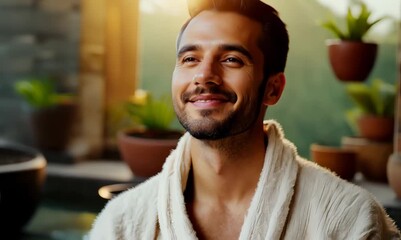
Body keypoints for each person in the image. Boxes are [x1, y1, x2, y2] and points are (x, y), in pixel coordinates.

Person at [90, 0, 400, 239]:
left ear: (273, 88)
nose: (204, 75)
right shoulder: (122, 224)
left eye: (231, 59)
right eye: (190, 59)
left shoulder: (350, 221)